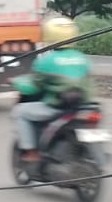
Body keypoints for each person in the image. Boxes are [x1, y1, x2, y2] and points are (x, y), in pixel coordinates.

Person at [10, 16, 94, 164]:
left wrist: (17, 83)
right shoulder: (83, 58)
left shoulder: (47, 60)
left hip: (58, 107)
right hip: (85, 107)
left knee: (20, 112)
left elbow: (34, 86)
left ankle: (31, 152)